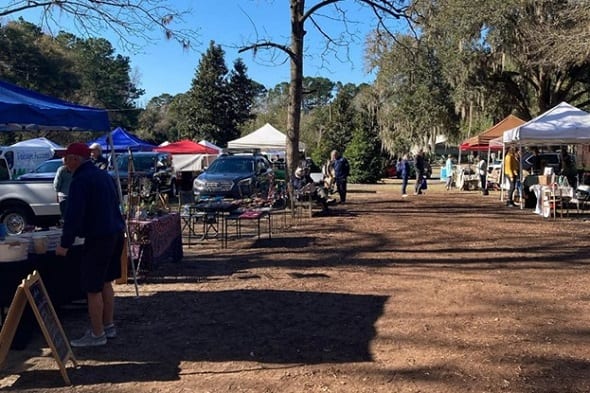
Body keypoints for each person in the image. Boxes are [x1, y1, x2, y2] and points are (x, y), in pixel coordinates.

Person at [56, 142, 125, 347]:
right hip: (115, 234)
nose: (64, 162)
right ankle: (108, 326)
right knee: (106, 282)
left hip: (99, 238)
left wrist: (64, 244)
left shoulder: (80, 180)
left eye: (66, 158)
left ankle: (97, 334)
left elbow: (74, 216)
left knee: (92, 287)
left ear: (75, 159)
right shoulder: (104, 175)